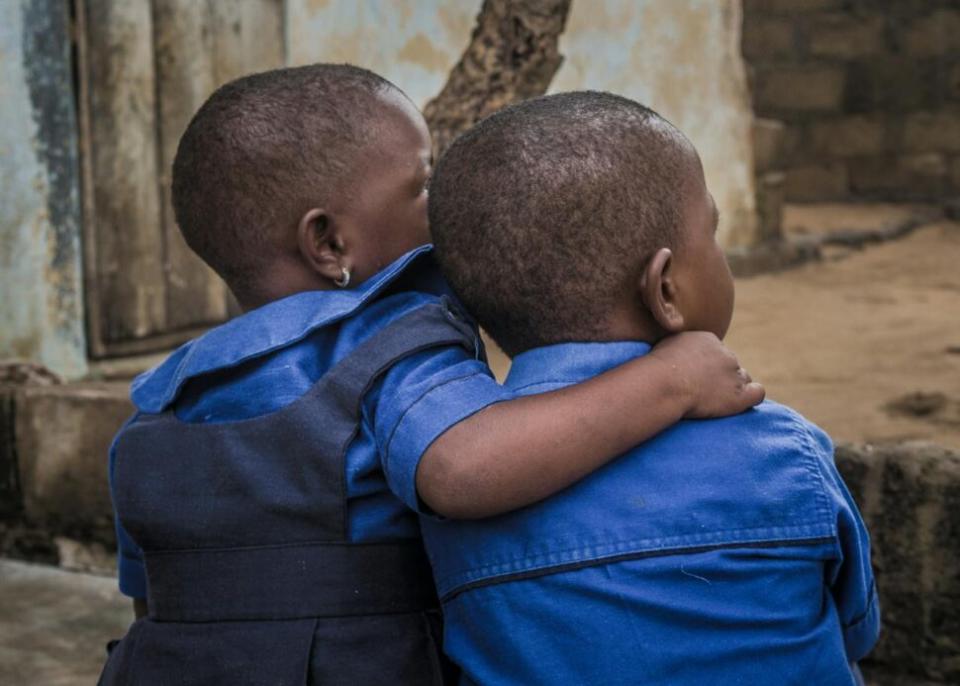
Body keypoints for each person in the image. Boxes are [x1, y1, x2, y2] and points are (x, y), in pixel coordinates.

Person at [98, 67, 763, 686]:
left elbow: (147, 596)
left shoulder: (153, 409)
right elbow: (465, 468)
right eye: (422, 185)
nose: (440, 205)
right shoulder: (388, 345)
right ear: (329, 243)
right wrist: (671, 381)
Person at [424, 91, 880, 686]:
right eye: (712, 234)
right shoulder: (785, 451)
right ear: (665, 289)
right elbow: (858, 628)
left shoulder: (451, 492)